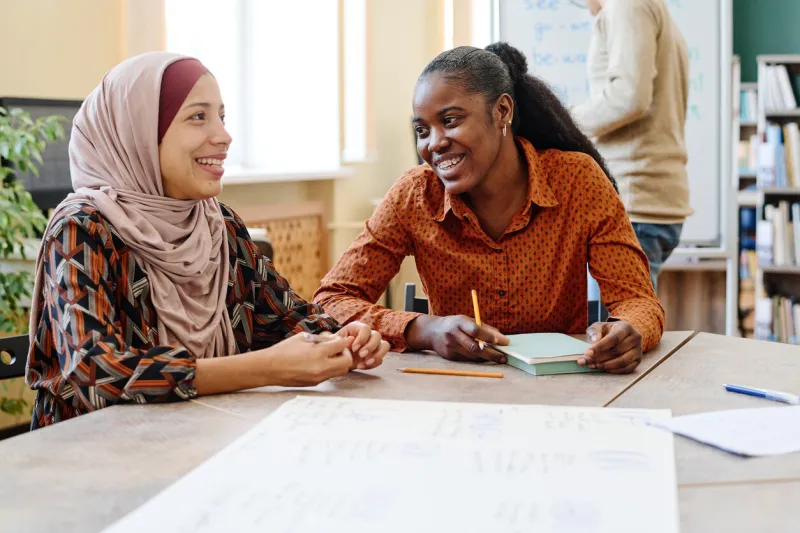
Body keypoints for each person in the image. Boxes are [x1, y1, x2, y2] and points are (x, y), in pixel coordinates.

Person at [26, 52, 389, 429]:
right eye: (198, 116)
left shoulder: (219, 223)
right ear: (140, 132)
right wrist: (264, 368)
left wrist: (344, 339)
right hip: (90, 460)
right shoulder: (82, 228)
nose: (224, 136)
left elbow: (289, 320)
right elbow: (96, 371)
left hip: (205, 441)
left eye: (222, 116)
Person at [314, 43, 664, 375]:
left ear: (502, 111)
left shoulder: (577, 180)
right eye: (422, 130)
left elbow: (638, 300)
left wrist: (629, 330)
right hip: (458, 392)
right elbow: (331, 301)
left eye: (450, 121)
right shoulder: (414, 195)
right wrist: (424, 329)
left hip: (560, 387)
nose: (434, 143)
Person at [570, 0, 691, 290]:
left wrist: (563, 122)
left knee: (620, 331)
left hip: (634, 202)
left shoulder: (627, 5)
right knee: (624, 327)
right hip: (645, 203)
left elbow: (628, 97)